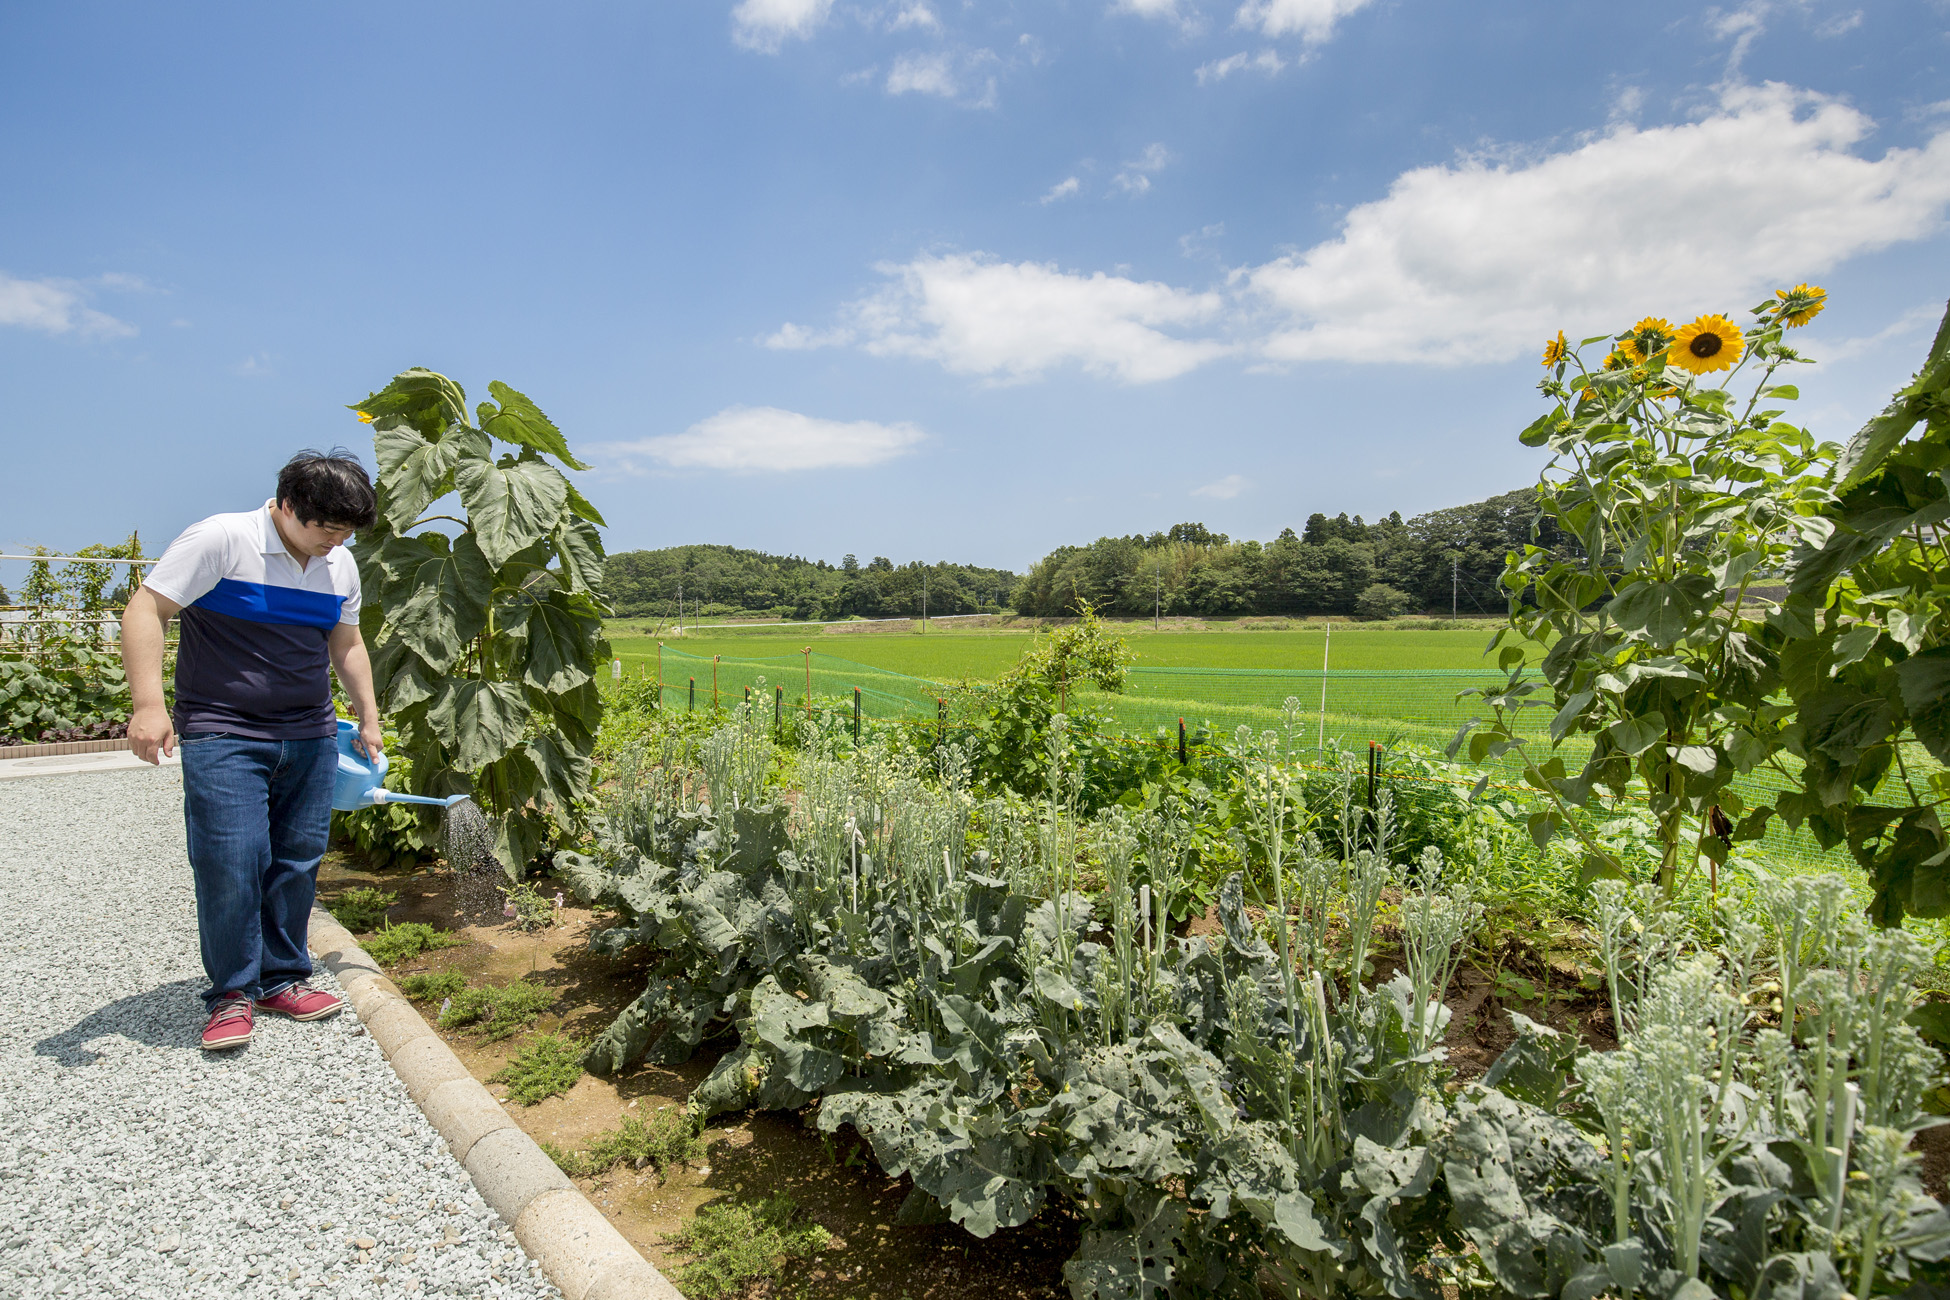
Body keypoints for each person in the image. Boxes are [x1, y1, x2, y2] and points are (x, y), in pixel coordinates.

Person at [120, 450, 384, 1051]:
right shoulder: (221, 540)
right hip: (224, 730)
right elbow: (147, 608)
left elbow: (346, 642)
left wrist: (368, 717)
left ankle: (283, 977)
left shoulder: (338, 565)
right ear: (288, 506)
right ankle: (231, 992)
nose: (337, 542)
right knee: (232, 859)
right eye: (327, 528)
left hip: (311, 731)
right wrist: (148, 705)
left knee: (297, 859)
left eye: (347, 532)